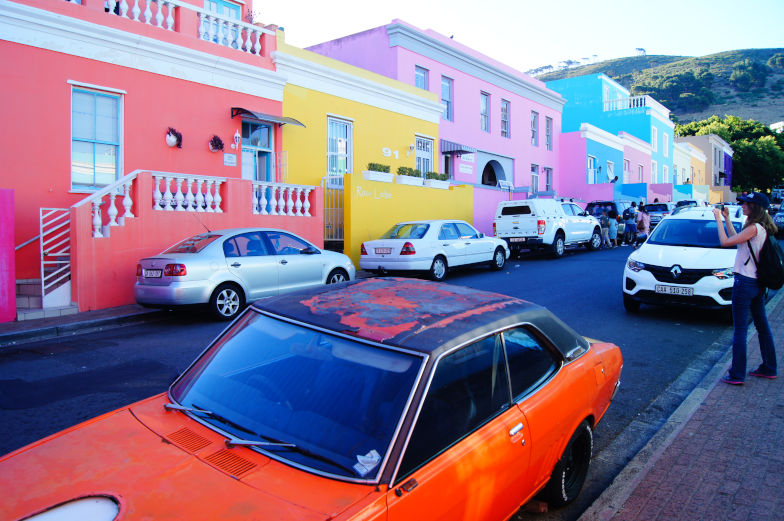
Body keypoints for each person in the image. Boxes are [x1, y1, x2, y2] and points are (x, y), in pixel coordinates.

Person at [713, 192, 778, 385]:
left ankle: (737, 374)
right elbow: (735, 239)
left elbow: (724, 242)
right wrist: (726, 219)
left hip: (745, 282)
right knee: (762, 325)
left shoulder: (755, 228)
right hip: (757, 282)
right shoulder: (759, 228)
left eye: (746, 204)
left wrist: (717, 220)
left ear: (755, 208)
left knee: (740, 329)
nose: (742, 206)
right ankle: (769, 367)